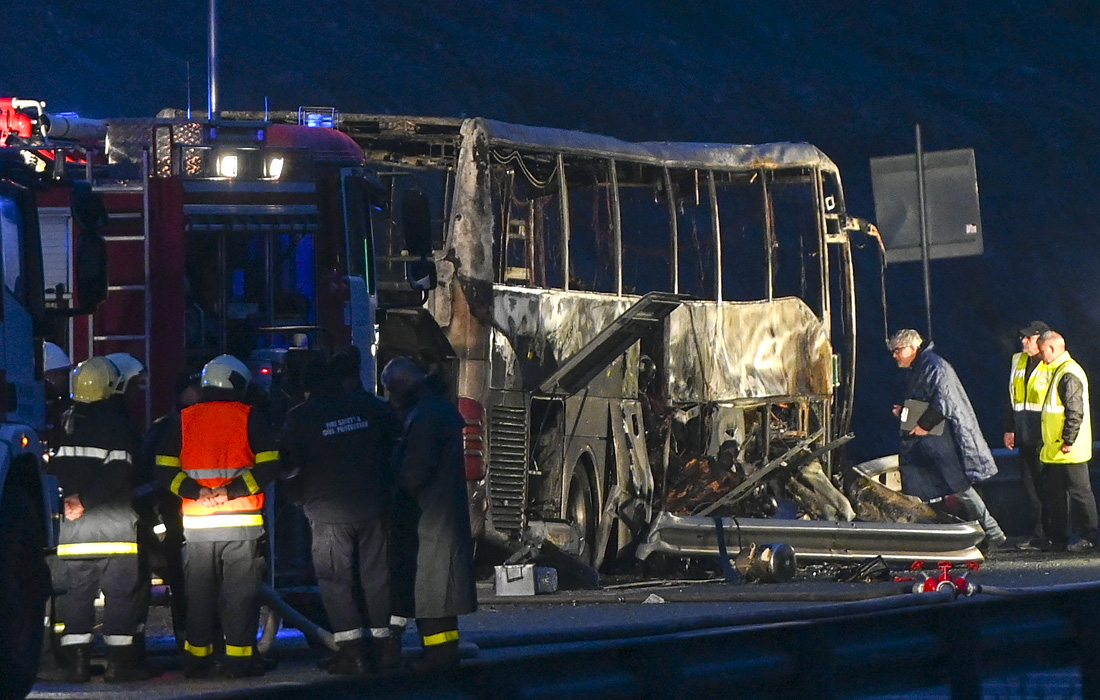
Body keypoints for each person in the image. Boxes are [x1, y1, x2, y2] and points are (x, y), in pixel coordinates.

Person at [155, 355, 281, 678]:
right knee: (240, 597)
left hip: (197, 527)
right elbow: (269, 466)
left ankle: (197, 661)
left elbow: (164, 472)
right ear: (236, 383)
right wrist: (232, 492)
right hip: (242, 525)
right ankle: (239, 661)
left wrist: (197, 493)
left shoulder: (182, 420)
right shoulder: (250, 417)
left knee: (198, 597)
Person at [281, 353, 402, 674]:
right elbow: (397, 443)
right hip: (373, 507)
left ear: (308, 388)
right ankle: (384, 647)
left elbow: (288, 468)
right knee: (377, 578)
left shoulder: (300, 418)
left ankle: (352, 653)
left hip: (327, 512)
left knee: (336, 581)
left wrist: (298, 500)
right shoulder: (371, 407)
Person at [46, 356, 151, 683]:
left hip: (74, 530)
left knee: (76, 597)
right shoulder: (116, 423)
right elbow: (120, 470)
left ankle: (76, 665)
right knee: (121, 595)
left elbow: (53, 469)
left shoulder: (63, 421)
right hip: (115, 527)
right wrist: (87, 500)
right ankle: (120, 666)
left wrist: (71, 501)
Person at [380, 357, 477, 671]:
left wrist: (388, 480)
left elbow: (413, 472)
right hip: (441, 516)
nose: (392, 399)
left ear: (404, 385)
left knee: (432, 593)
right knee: (440, 594)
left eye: (393, 391)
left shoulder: (424, 417)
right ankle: (442, 652)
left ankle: (439, 657)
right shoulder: (437, 409)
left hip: (431, 519)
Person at [888, 329, 1007, 549]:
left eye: (897, 351)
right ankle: (932, 537)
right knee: (925, 489)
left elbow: (943, 399)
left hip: (938, 439)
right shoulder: (920, 367)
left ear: (912, 348)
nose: (895, 356)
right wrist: (906, 411)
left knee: (958, 486)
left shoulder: (934, 366)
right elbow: (924, 400)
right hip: (924, 439)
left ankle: (992, 531)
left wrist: (925, 425)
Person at [1036, 331, 1098, 553]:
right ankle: (1058, 538)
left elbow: (1075, 410)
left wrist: (1068, 440)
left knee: (1080, 493)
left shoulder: (1068, 373)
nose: (1041, 356)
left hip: (1068, 448)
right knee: (1056, 495)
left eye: (1042, 351)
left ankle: (1089, 537)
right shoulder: (1058, 371)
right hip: (1056, 447)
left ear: (1052, 348)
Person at [1003, 321, 1053, 550]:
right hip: (1024, 434)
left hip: (1045, 436)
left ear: (1041, 340)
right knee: (1030, 487)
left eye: (1028, 338)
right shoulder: (1018, 360)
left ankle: (1050, 534)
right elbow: (1012, 397)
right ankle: (1038, 534)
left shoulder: (1052, 364)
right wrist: (1009, 428)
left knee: (1047, 488)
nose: (1023, 341)